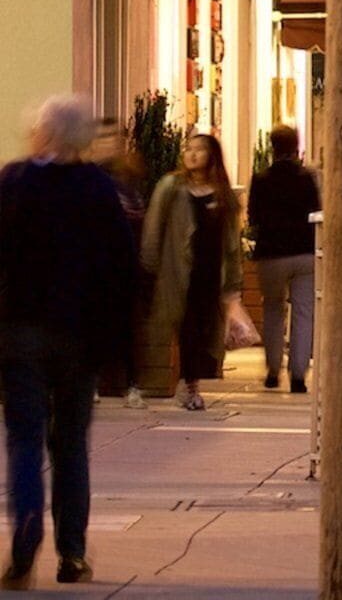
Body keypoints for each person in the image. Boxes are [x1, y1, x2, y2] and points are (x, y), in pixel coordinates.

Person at [1, 95, 135, 584]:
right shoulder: (98, 189)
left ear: (45, 133)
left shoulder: (13, 182)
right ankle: (72, 553)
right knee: (71, 443)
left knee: (24, 437)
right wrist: (118, 343)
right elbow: (121, 267)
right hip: (80, 336)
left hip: (20, 331)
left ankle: (26, 528)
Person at [136, 134, 237, 412]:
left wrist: (233, 282)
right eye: (188, 149)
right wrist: (149, 264)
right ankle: (188, 385)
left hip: (210, 271)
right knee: (186, 325)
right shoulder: (172, 186)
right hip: (178, 271)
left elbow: (231, 241)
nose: (192, 154)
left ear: (211, 155)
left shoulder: (222, 193)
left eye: (199, 150)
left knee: (205, 329)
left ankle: (191, 382)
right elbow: (154, 227)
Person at [243, 128, 318, 397]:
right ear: (296, 147)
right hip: (304, 253)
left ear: (272, 147)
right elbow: (317, 212)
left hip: (272, 253)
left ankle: (273, 371)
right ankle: (298, 376)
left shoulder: (261, 179)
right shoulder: (307, 179)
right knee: (303, 312)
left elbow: (253, 217)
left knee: (273, 310)